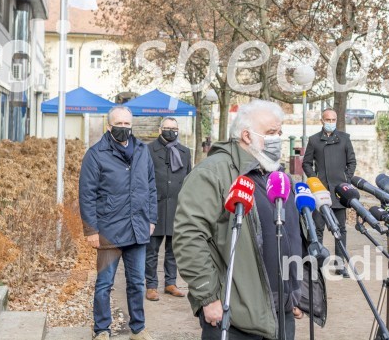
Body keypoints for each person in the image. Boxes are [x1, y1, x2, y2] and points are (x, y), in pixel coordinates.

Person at [174, 100, 317, 340]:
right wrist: (207, 297)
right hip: (235, 314)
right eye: (271, 132)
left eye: (279, 132)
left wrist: (294, 293)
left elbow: (290, 235)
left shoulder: (276, 175)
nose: (277, 139)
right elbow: (189, 237)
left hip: (281, 312)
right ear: (247, 135)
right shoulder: (213, 172)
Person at [79, 106, 158, 340]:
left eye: (127, 124)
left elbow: (151, 187)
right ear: (109, 126)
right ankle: (102, 329)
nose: (123, 128)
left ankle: (138, 329)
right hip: (108, 230)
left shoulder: (142, 151)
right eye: (119, 124)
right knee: (104, 283)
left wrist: (151, 218)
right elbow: (87, 194)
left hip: (137, 228)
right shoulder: (96, 154)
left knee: (137, 283)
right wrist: (91, 230)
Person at [302, 107, 356, 277]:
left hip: (340, 192)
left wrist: (346, 179)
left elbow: (352, 162)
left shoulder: (345, 139)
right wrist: (314, 180)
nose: (331, 122)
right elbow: (306, 163)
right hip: (321, 192)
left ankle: (340, 264)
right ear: (322, 120)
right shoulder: (314, 140)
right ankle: (315, 264)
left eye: (333, 120)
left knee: (340, 229)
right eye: (328, 120)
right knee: (317, 228)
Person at [145, 117, 192, 301]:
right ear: (160, 130)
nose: (171, 131)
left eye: (174, 128)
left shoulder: (185, 152)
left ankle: (170, 283)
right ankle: (151, 285)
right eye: (167, 128)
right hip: (155, 206)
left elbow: (189, 179)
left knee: (174, 249)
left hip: (176, 206)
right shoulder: (148, 150)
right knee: (151, 250)